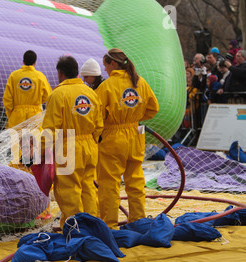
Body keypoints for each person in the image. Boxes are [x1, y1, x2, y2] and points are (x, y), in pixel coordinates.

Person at [96, 48, 159, 229]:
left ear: (113, 63)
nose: (105, 70)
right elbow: (153, 109)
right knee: (135, 180)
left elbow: (97, 117)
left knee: (109, 183)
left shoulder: (106, 86)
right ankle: (138, 221)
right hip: (135, 135)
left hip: (113, 138)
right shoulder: (140, 82)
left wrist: (109, 126)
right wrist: (134, 117)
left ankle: (110, 225)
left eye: (106, 66)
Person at [42, 55, 104, 228]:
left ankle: (75, 229)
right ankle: (92, 226)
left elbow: (50, 129)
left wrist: (41, 150)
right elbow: (99, 125)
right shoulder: (91, 93)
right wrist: (90, 141)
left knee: (69, 190)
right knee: (88, 188)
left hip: (68, 146)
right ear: (77, 72)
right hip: (90, 146)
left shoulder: (58, 94)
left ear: (60, 73)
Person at [3, 50, 52, 129]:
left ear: (23, 61)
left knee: (16, 140)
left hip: (17, 115)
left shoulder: (14, 75)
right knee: (35, 140)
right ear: (35, 62)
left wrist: (11, 114)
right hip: (35, 115)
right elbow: (48, 95)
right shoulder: (40, 76)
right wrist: (38, 101)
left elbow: (7, 98)